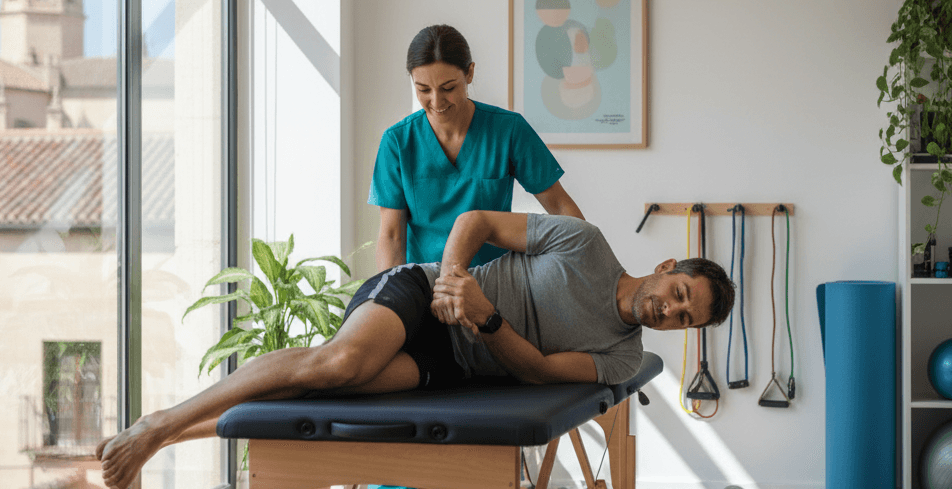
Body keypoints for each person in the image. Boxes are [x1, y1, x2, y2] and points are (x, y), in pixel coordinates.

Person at [96, 211, 735, 489]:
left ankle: (167, 436)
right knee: (340, 364)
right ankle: (159, 423)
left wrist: (483, 321)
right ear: (666, 266)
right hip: (417, 291)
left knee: (329, 389)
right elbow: (476, 224)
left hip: (451, 361)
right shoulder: (585, 244)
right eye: (679, 292)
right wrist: (453, 283)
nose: (670, 309)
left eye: (684, 318)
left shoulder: (623, 359)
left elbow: (538, 371)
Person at [371, 24, 584, 272]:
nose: (436, 102)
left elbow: (559, 206)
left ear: (469, 73)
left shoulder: (509, 130)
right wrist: (391, 296)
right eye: (423, 90)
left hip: (497, 283)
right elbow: (391, 236)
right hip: (425, 285)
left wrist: (587, 259)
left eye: (448, 88)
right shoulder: (397, 142)